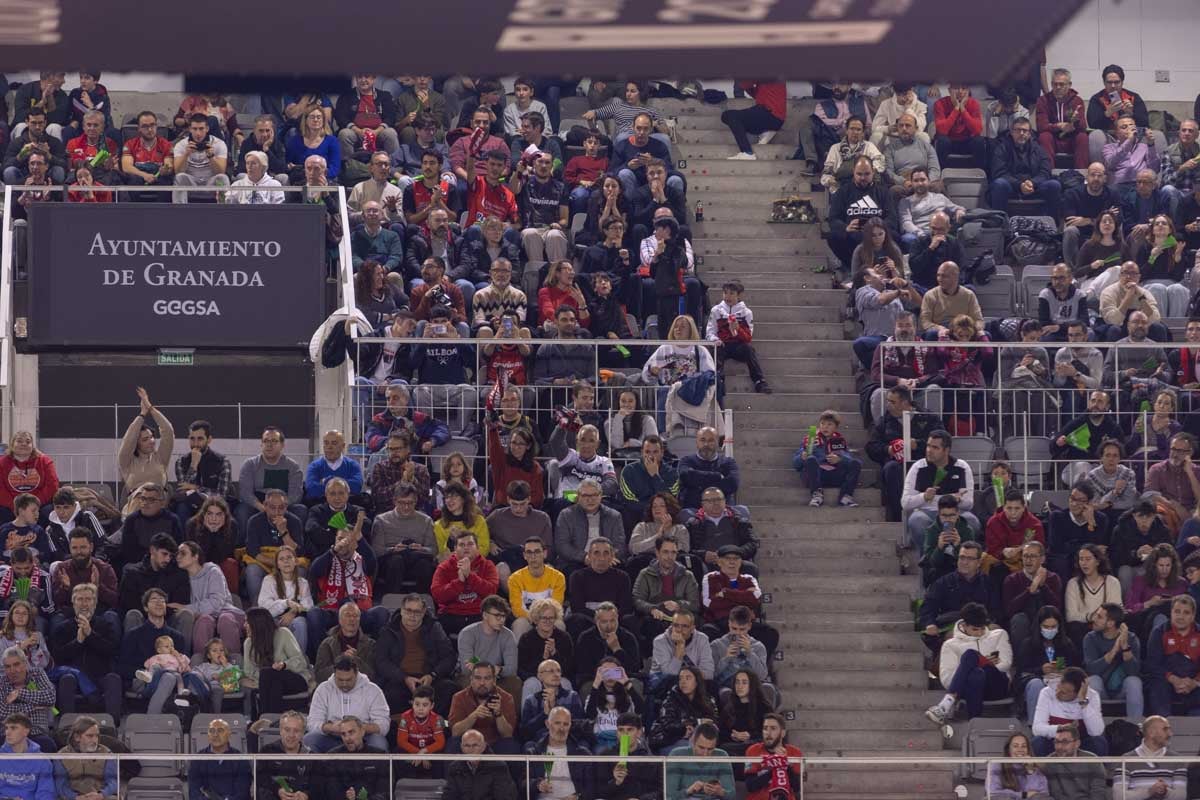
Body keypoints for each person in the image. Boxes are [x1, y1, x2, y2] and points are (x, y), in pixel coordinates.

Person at [925, 602, 1012, 724]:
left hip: (997, 684)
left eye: (982, 628)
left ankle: (946, 704)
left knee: (971, 655)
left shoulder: (999, 635)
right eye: (975, 629)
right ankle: (975, 722)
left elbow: (1006, 664)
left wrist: (982, 662)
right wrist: (974, 666)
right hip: (970, 687)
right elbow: (947, 679)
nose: (980, 633)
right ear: (964, 626)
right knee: (975, 673)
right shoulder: (950, 645)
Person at [49, 582, 123, 722]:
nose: (84, 604)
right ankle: (66, 724)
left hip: (99, 675)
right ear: (73, 602)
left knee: (114, 679)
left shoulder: (105, 625)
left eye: (88, 599)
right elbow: (58, 657)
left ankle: (113, 725)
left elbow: (111, 650)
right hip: (74, 677)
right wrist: (78, 642)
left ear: (95, 603)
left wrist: (90, 634)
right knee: (67, 679)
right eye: (80, 599)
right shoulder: (62, 628)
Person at [375, 593, 457, 715]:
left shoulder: (434, 628)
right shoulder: (389, 630)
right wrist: (404, 678)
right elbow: (381, 661)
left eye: (417, 612)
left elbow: (449, 656)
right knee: (388, 695)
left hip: (429, 678)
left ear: (424, 613)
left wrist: (432, 675)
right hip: (400, 679)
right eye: (408, 610)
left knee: (450, 689)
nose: (412, 615)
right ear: (401, 610)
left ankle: (436, 727)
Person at [902, 430, 978, 549]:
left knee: (971, 521)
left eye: (935, 447)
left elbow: (969, 503)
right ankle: (927, 561)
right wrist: (924, 497)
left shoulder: (962, 467)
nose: (929, 450)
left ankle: (960, 558)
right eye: (928, 446)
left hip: (955, 513)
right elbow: (905, 502)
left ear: (946, 450)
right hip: (927, 512)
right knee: (917, 520)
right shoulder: (918, 467)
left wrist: (958, 501)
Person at [303, 655, 390, 753]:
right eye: (340, 680)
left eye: (348, 680)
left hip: (364, 739)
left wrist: (358, 728)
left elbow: (384, 725)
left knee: (379, 743)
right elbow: (312, 723)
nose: (344, 684)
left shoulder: (373, 690)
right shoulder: (323, 690)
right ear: (334, 674)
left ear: (356, 674)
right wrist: (331, 727)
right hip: (332, 738)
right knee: (309, 740)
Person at [827, 156, 898, 272]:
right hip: (853, 235)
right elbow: (833, 219)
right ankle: (852, 268)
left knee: (896, 237)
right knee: (833, 236)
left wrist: (879, 229)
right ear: (853, 172)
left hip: (878, 236)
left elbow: (892, 218)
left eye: (867, 174)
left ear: (873, 172)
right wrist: (846, 227)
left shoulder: (883, 192)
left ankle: (883, 267)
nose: (863, 178)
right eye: (859, 174)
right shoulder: (842, 192)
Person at [632, 534, 700, 649]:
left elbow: (695, 604)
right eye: (665, 552)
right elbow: (637, 600)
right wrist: (652, 609)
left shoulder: (687, 575)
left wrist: (679, 605)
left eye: (673, 552)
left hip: (680, 616)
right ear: (657, 553)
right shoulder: (645, 574)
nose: (670, 557)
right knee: (648, 624)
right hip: (655, 617)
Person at [1013, 605, 1080, 721]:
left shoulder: (1067, 644)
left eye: (1053, 627)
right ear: (1039, 626)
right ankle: (1035, 724)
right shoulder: (1028, 644)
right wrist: (1041, 670)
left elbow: (1076, 667)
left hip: (1059, 680)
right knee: (1036, 684)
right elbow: (1021, 670)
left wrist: (1065, 671)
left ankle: (1065, 722)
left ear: (1059, 627)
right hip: (1036, 680)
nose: (1050, 630)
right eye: (1046, 627)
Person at [990, 116, 1062, 218]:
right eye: (1018, 130)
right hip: (1012, 187)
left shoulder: (1038, 149)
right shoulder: (1002, 148)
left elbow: (1045, 171)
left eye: (1024, 130)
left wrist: (1033, 182)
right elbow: (999, 173)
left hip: (1034, 186)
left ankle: (1052, 226)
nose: (1021, 133)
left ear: (1029, 134)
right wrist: (1019, 185)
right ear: (1011, 132)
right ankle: (1000, 224)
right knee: (999, 184)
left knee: (1054, 185)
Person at [1082, 602, 1144, 719]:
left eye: (1099, 617)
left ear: (1111, 623)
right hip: (1101, 687)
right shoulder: (1090, 638)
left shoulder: (1131, 638)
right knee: (1093, 681)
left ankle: (1135, 728)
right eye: (1096, 615)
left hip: (1121, 689)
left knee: (1134, 682)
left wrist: (1125, 647)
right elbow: (1091, 669)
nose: (1094, 619)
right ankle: (1092, 728)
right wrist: (1114, 651)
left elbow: (1134, 672)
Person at [707, 280, 770, 393]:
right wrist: (716, 340)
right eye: (725, 293)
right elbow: (710, 331)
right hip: (722, 344)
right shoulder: (716, 310)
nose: (728, 296)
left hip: (738, 345)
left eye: (731, 293)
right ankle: (717, 382)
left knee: (749, 349)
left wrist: (738, 329)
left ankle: (759, 381)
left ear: (739, 295)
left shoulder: (746, 313)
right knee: (715, 351)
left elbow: (748, 337)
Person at [1030, 666, 1107, 756]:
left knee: (1099, 742)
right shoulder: (1046, 692)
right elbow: (1037, 728)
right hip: (1055, 740)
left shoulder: (1092, 696)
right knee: (1038, 742)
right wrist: (1061, 728)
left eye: (1064, 692)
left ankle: (1094, 770)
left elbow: (1096, 731)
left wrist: (1083, 701)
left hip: (1080, 742)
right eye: (1058, 687)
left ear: (1077, 693)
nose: (1057, 693)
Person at [448, 660, 520, 755]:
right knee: (453, 744)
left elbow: (507, 734)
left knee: (510, 746)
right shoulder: (459, 697)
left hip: (495, 744)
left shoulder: (506, 698)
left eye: (487, 678)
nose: (482, 683)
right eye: (478, 678)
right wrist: (474, 716)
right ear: (471, 680)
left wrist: (498, 714)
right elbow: (455, 732)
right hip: (469, 743)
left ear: (494, 680)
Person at [793, 409, 862, 508]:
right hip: (817, 475)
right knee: (810, 460)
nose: (825, 427)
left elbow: (850, 460)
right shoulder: (811, 440)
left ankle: (845, 497)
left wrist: (840, 459)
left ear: (836, 427)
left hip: (835, 475)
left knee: (856, 463)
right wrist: (802, 457)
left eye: (829, 424)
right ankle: (816, 495)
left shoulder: (840, 441)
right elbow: (796, 464)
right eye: (822, 423)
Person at [1003, 541, 1064, 650]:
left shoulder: (1053, 578)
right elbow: (1009, 611)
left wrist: (1043, 586)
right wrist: (1029, 591)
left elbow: (1057, 608)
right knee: (1019, 619)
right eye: (1025, 556)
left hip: (1047, 622)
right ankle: (1022, 663)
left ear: (1042, 559)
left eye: (1033, 556)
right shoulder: (1012, 579)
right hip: (1023, 623)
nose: (1028, 560)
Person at [1115, 715, 1186, 799]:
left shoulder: (1176, 760)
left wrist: (1166, 792)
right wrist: (1149, 791)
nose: (1170, 734)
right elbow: (1118, 797)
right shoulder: (1126, 760)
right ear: (1151, 733)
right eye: (1165, 729)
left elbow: (1181, 796)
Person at [321, 715, 389, 800]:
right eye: (343, 734)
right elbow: (331, 789)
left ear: (362, 731)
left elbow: (385, 791)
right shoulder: (333, 757)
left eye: (351, 732)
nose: (347, 738)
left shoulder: (380, 756)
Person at [254, 709, 318, 800]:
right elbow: (261, 781)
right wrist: (277, 790)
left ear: (303, 733)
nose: (291, 735)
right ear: (280, 731)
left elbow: (317, 786)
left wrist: (306, 795)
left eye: (296, 731)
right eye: (287, 730)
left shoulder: (312, 757)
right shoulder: (266, 752)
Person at [1087, 64, 1150, 154]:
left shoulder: (1133, 97)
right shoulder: (1097, 98)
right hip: (1109, 136)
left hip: (1133, 136)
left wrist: (1131, 113)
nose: (1113, 86)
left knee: (1156, 134)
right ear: (1104, 83)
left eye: (1116, 82)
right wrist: (1107, 113)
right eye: (1109, 82)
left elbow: (1145, 123)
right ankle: (1099, 167)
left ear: (1122, 82)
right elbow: (1092, 124)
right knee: (1095, 135)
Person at [0, 648, 55, 752]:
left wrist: (20, 694)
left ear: (25, 663)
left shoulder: (37, 674)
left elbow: (50, 697)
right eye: (8, 667)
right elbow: (2, 712)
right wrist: (33, 706)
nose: (12, 670)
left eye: (16, 664)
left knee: (48, 744)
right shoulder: (2, 683)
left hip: (37, 733)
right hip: (9, 735)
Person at [52, 714, 117, 800]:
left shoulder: (107, 754)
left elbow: (113, 781)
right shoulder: (61, 756)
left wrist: (101, 795)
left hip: (101, 796)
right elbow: (61, 784)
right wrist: (76, 797)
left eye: (97, 736)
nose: (95, 740)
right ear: (77, 737)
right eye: (90, 736)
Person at [442, 728, 519, 800]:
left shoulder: (498, 766)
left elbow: (504, 796)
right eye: (467, 746)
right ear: (461, 747)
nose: (471, 750)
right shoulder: (455, 767)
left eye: (475, 745)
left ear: (483, 746)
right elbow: (448, 796)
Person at [666, 721, 735, 800]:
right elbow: (669, 796)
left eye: (710, 749)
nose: (705, 754)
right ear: (693, 742)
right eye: (701, 748)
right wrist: (688, 791)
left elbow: (732, 795)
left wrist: (721, 792)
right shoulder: (677, 755)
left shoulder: (722, 756)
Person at [187, 717, 251, 800]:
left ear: (229, 734)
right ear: (208, 735)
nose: (215, 734)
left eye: (220, 730)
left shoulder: (240, 759)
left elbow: (242, 792)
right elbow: (194, 791)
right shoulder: (198, 759)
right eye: (212, 731)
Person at [1037, 69, 1089, 168]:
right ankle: (1048, 174)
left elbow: (1083, 127)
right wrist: (1059, 126)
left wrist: (1075, 122)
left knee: (1082, 137)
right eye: (1055, 84)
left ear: (1069, 85)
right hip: (1052, 139)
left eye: (1062, 84)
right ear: (1051, 84)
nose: (1058, 87)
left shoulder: (1077, 100)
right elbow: (1041, 126)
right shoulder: (1043, 101)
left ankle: (1081, 175)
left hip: (1071, 139)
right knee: (1044, 136)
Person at [314, 601, 377, 683]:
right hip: (333, 688)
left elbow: (373, 676)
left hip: (361, 690)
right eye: (348, 615)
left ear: (359, 620)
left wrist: (356, 661)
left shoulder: (371, 644)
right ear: (340, 620)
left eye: (355, 616)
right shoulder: (327, 644)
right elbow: (319, 676)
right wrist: (341, 661)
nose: (352, 619)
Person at [744, 714, 804, 800]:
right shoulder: (753, 750)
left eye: (773, 728)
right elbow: (750, 786)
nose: (768, 733)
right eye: (765, 728)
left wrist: (784, 763)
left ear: (782, 733)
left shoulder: (794, 752)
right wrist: (775, 765)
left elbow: (797, 786)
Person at [721, 80, 785, 160]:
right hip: (775, 119)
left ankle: (747, 152)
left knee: (729, 115)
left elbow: (746, 83)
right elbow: (756, 94)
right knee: (736, 119)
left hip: (768, 113)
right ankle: (767, 130)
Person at [3, 107, 67, 186]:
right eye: (33, 123)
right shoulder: (17, 142)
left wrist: (48, 155)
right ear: (27, 122)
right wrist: (21, 155)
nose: (37, 127)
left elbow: (65, 165)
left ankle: (54, 196)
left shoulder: (54, 142)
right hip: (23, 178)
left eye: (40, 123)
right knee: (9, 171)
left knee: (59, 170)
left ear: (45, 123)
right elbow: (5, 165)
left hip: (47, 178)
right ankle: (15, 197)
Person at [820, 114, 883, 192]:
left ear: (863, 132)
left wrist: (867, 172)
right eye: (852, 129)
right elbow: (827, 172)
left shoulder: (869, 146)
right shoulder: (835, 148)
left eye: (858, 129)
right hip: (841, 187)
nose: (855, 132)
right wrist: (829, 180)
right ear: (846, 130)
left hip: (864, 186)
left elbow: (880, 162)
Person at [1043, 723, 1106, 800]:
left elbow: (1098, 792)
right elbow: (1056, 793)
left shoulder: (1093, 760)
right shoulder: (1050, 762)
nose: (1059, 746)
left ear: (1077, 744)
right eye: (1056, 742)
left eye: (1065, 742)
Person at [0, 713, 54, 798]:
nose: (8, 733)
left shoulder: (42, 761)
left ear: (26, 731)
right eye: (6, 728)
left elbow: (45, 792)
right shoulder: (1, 757)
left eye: (13, 728)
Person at [932, 83, 987, 167]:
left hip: (966, 142)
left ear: (968, 91)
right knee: (942, 140)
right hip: (948, 142)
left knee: (979, 141)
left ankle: (981, 174)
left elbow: (977, 131)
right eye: (956, 88)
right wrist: (956, 109)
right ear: (949, 90)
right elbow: (942, 131)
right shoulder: (939, 103)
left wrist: (963, 110)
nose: (960, 92)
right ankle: (940, 175)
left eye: (964, 88)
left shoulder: (974, 104)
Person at [985, 732, 1049, 800]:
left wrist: (1030, 770)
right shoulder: (997, 765)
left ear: (1028, 750)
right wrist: (1023, 795)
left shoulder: (1035, 768)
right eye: (1015, 746)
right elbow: (993, 793)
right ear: (1008, 749)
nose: (1020, 750)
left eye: (1024, 746)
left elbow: (1041, 794)